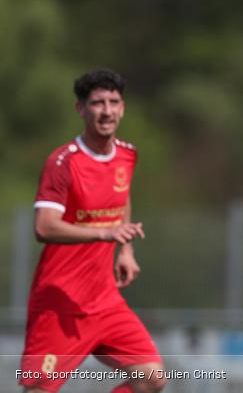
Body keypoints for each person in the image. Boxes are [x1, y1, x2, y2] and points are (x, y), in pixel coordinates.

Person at [19, 69, 166, 393]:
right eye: (97, 103)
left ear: (123, 108)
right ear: (81, 109)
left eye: (114, 102)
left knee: (151, 378)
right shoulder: (63, 162)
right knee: (39, 390)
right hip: (60, 301)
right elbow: (44, 226)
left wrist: (125, 250)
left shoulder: (127, 154)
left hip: (105, 300)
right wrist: (104, 234)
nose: (107, 111)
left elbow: (122, 196)